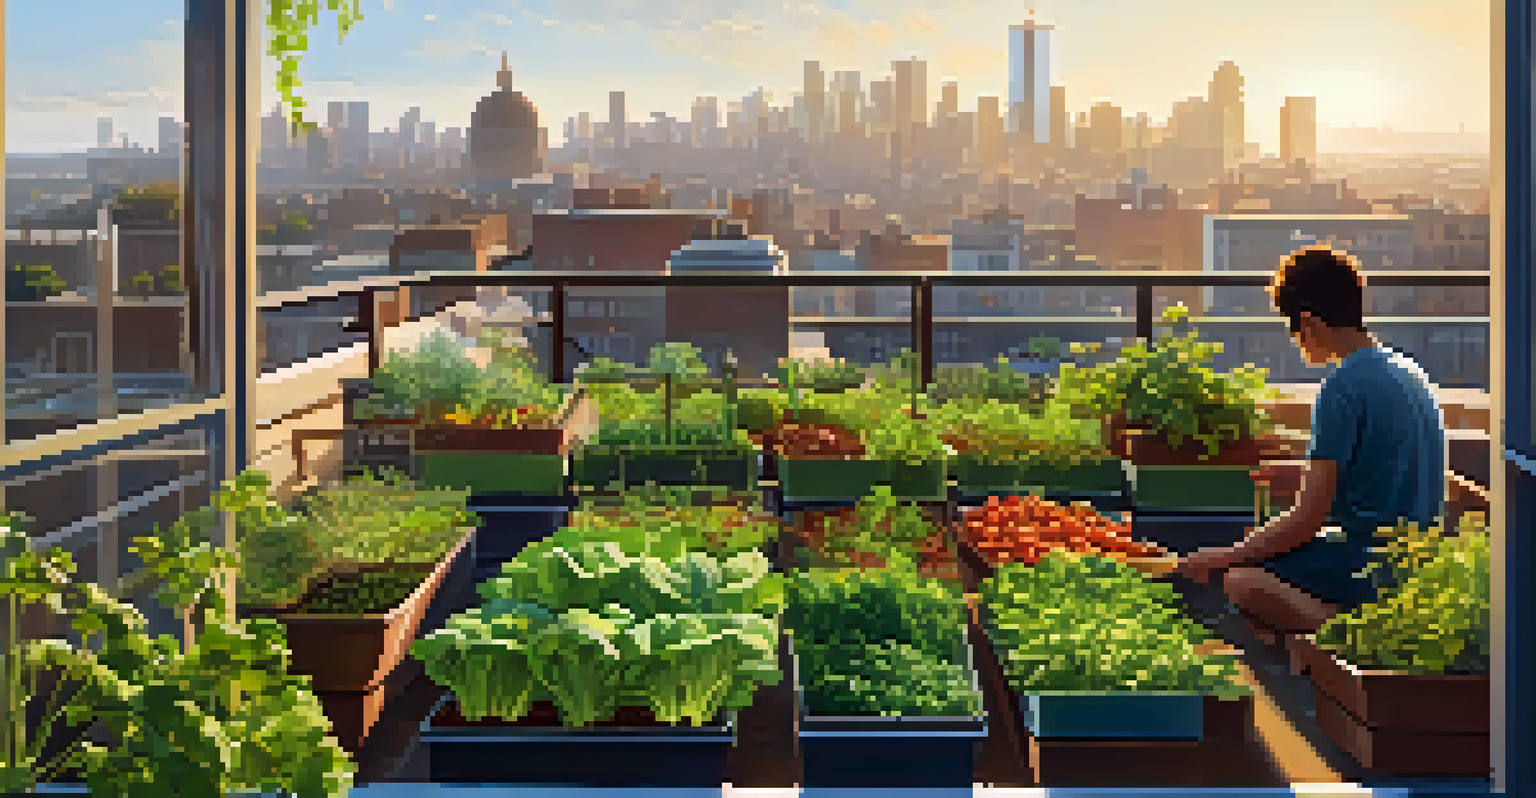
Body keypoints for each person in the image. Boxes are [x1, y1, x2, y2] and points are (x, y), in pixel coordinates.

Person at [1172, 246, 1446, 653]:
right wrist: (1305, 475)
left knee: (1241, 578)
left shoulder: (1341, 389)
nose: (1295, 340)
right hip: (1420, 561)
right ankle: (1310, 637)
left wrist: (1217, 557)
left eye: (1293, 329)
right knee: (1260, 554)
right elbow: (1386, 466)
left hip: (1369, 563)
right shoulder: (1410, 373)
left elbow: (1304, 522)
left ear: (1309, 323)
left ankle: (1356, 636)